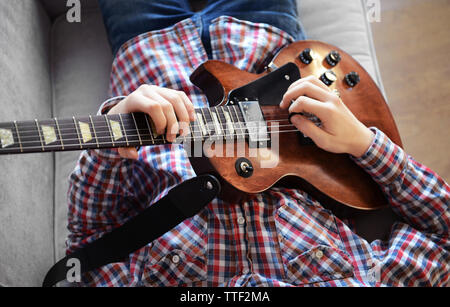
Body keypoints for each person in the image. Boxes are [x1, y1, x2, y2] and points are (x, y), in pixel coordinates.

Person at [66, 0, 449, 286]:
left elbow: (88, 248)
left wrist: (112, 135)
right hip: (259, 41)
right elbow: (443, 234)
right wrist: (364, 143)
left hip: (150, 59)